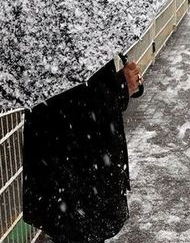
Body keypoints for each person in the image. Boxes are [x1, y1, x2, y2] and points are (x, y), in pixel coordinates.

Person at [23, 59, 142, 243]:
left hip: (62, 171)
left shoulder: (38, 48)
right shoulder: (69, 49)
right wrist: (121, 87)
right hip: (81, 171)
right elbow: (84, 107)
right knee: (81, 232)